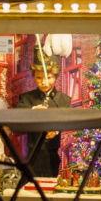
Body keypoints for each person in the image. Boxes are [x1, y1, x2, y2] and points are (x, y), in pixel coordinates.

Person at [14, 44, 71, 177]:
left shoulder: (64, 100)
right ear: (34, 76)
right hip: (31, 159)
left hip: (52, 159)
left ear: (56, 77)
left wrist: (56, 130)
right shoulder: (27, 99)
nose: (44, 82)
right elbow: (17, 118)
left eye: (49, 77)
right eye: (39, 78)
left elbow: (68, 121)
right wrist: (32, 111)